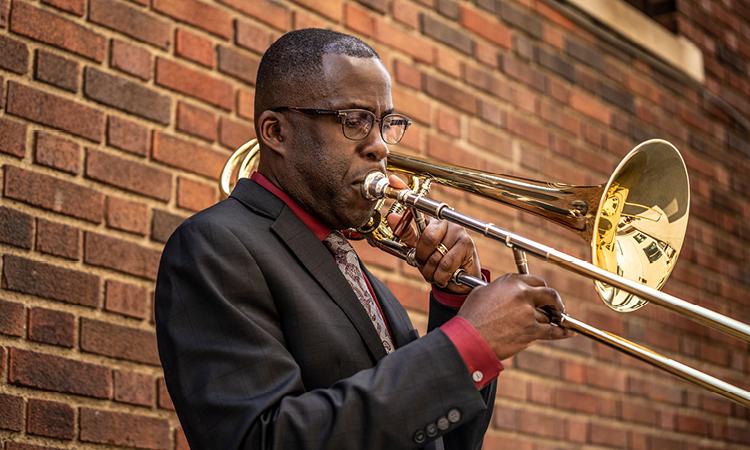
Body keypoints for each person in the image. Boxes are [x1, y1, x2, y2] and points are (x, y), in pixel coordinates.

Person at [155, 28, 572, 450]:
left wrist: (454, 305)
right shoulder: (214, 245)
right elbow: (262, 440)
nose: (379, 147)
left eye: (387, 123)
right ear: (277, 132)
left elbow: (443, 442)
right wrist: (467, 343)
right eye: (353, 121)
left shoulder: (352, 269)